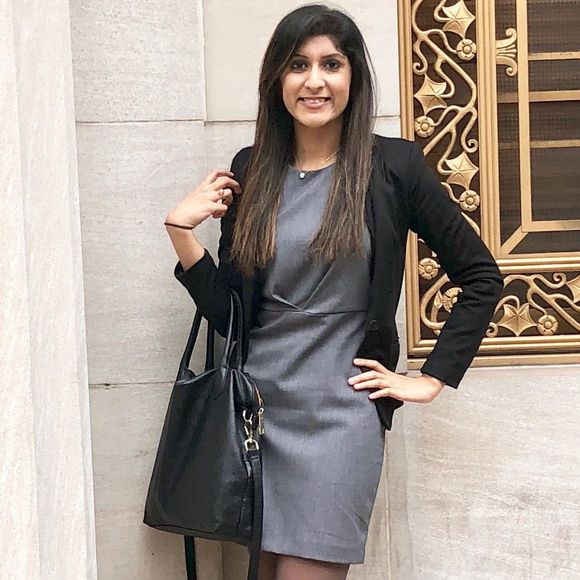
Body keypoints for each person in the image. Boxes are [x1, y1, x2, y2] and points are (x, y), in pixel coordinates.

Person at [163, 4, 503, 579]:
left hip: (340, 419)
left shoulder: (393, 166)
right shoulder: (252, 168)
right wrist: (182, 234)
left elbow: (480, 276)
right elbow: (232, 315)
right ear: (277, 79)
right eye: (298, 65)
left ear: (353, 76)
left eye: (331, 64)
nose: (314, 81)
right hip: (253, 417)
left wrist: (430, 378)